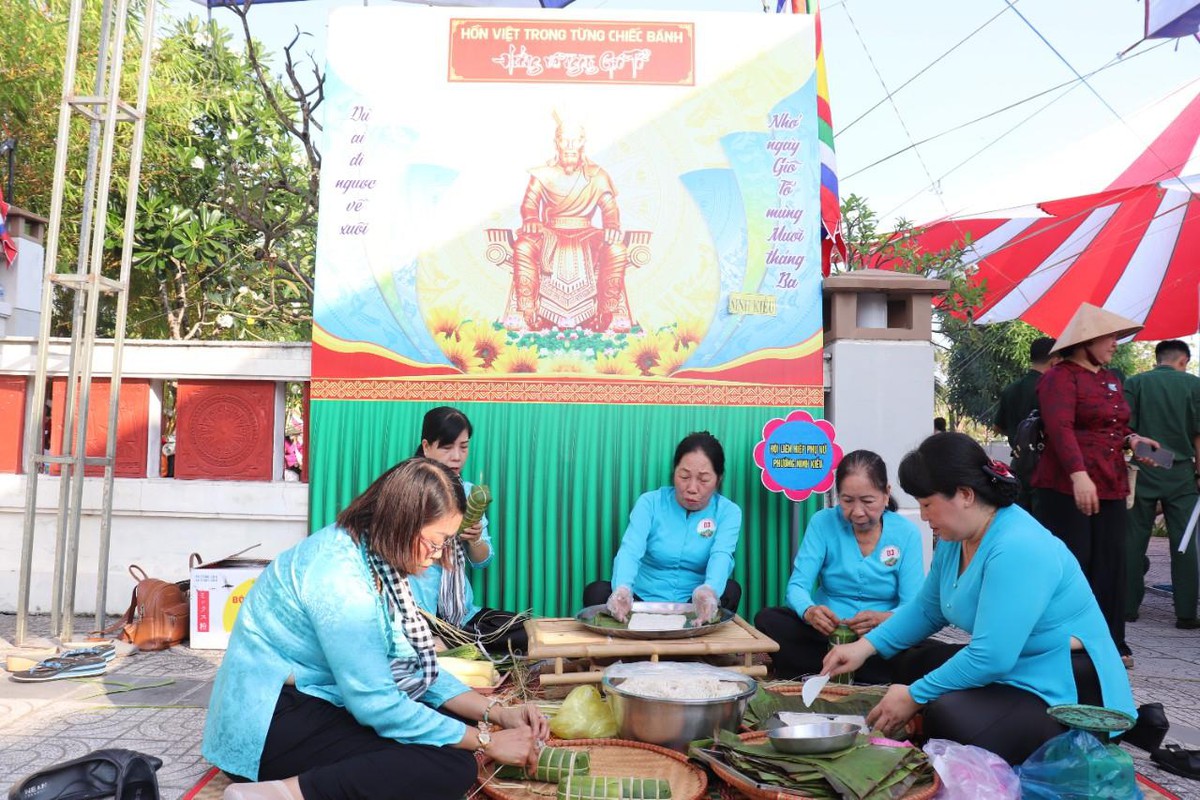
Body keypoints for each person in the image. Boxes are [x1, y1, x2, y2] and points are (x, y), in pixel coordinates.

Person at [203, 458, 549, 800]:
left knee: (440, 727)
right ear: (403, 524)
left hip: (316, 695)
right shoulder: (339, 575)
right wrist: (486, 740)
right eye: (437, 542)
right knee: (450, 764)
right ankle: (281, 794)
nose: (442, 557)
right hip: (268, 721)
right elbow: (375, 702)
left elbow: (412, 666)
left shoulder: (378, 559)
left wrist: (498, 713)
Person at [823, 432, 1136, 766]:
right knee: (899, 661)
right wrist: (864, 647)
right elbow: (927, 610)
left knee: (947, 716)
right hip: (1015, 665)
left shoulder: (1018, 545)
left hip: (1061, 681)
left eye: (928, 504)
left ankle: (1065, 740)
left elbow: (991, 657)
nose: (924, 516)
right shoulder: (954, 538)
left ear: (965, 495)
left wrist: (915, 695)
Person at [1030, 303, 1159, 662]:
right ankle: (1067, 641)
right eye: (1110, 336)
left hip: (1110, 481)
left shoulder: (1111, 378)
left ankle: (1111, 641)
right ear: (1085, 341)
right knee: (1075, 563)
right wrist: (1078, 475)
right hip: (1065, 485)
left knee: (1111, 561)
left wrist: (1133, 440)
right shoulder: (1059, 377)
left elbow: (1114, 427)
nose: (1116, 343)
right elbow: (1059, 428)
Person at [755, 450, 927, 682]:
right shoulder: (822, 522)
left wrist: (882, 619)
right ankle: (860, 671)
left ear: (886, 494)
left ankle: (828, 669)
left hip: (880, 636)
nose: (857, 512)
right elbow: (796, 588)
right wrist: (809, 611)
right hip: (825, 634)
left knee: (921, 646)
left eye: (867, 501)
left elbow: (912, 605)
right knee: (769, 619)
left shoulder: (906, 533)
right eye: (847, 501)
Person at [583, 431, 742, 622]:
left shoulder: (728, 512)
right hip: (641, 600)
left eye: (703, 479)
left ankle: (697, 638)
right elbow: (630, 550)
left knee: (730, 590)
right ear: (674, 472)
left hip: (693, 603)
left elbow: (721, 556)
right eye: (684, 476)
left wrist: (709, 591)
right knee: (596, 592)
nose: (692, 488)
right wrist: (623, 589)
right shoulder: (650, 503)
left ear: (719, 479)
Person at [409, 406, 528, 654]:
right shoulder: (407, 490)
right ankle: (438, 643)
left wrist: (474, 541)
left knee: (527, 629)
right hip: (419, 612)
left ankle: (448, 644)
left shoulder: (469, 493)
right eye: (447, 447)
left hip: (461, 614)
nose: (457, 457)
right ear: (426, 446)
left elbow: (483, 561)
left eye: (463, 447)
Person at [509, 112, 630, 332]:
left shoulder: (597, 176)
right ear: (556, 142)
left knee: (617, 250)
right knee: (523, 246)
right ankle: (528, 310)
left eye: (576, 140)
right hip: (550, 231)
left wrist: (612, 227)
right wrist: (532, 219)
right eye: (565, 139)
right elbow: (529, 204)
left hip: (586, 231)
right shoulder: (542, 174)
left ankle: (605, 312)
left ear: (584, 142)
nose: (570, 145)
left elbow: (609, 208)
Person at [1125, 339, 1200, 629]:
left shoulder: (1136, 383)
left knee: (1133, 539)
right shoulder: (1194, 386)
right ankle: (1185, 613)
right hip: (1181, 473)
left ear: (1158, 358)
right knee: (1183, 543)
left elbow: (1124, 429)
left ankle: (1128, 607)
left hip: (1144, 468)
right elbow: (1198, 435)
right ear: (1183, 360)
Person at [993, 336, 1057, 511]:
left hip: (1019, 464)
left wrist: (1018, 433)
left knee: (1021, 516)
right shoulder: (1051, 389)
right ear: (1054, 361)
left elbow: (997, 427)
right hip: (1045, 466)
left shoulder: (1011, 389)